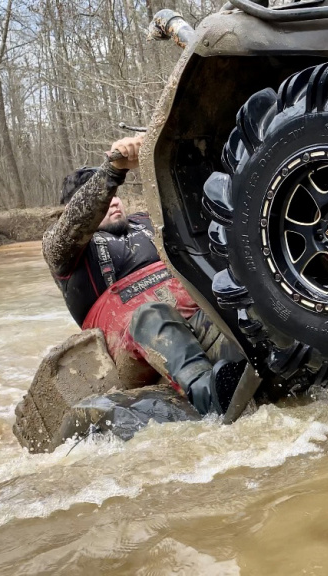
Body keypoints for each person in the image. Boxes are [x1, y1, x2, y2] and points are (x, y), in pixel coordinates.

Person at [43, 134, 241, 415]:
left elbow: (193, 203)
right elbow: (73, 221)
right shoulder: (63, 252)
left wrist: (160, 148)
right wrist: (113, 170)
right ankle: (211, 399)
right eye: (105, 197)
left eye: (115, 195)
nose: (113, 202)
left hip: (197, 317)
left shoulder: (148, 222)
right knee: (151, 315)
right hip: (134, 347)